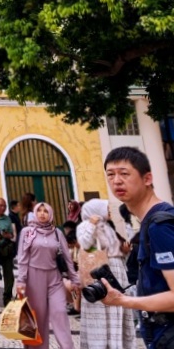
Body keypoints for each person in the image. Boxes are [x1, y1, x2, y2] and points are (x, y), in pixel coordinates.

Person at [101, 146, 174, 349]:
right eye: (110, 174)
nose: (116, 181)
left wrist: (123, 301)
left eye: (124, 173)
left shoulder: (159, 226)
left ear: (147, 179)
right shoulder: (153, 220)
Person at [15, 201, 77, 349]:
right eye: (39, 211)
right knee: (39, 318)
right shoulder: (27, 232)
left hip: (54, 278)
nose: (42, 214)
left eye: (46, 211)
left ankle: (68, 347)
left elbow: (67, 257)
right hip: (33, 279)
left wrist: (74, 278)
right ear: (35, 213)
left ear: (50, 214)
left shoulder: (57, 232)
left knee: (60, 312)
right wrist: (21, 281)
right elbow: (22, 257)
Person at [76, 198, 135, 349]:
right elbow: (85, 244)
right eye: (106, 208)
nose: (109, 211)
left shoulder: (108, 227)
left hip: (117, 270)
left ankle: (117, 345)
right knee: (101, 309)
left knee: (117, 308)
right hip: (100, 270)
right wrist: (91, 225)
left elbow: (114, 250)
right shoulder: (85, 225)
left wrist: (125, 251)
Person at [0, 197, 17, 303]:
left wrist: (7, 235)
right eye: (0, 205)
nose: (3, 208)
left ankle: (7, 298)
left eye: (4, 206)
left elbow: (12, 235)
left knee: (9, 276)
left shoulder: (7, 218)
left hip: (6, 250)